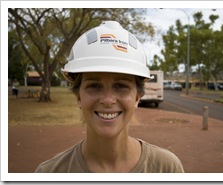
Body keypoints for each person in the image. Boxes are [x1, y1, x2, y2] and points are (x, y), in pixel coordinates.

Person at [35, 21, 184, 173]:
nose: (107, 100)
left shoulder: (166, 169)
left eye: (120, 86)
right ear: (78, 97)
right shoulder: (49, 173)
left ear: (137, 97)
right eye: (94, 86)